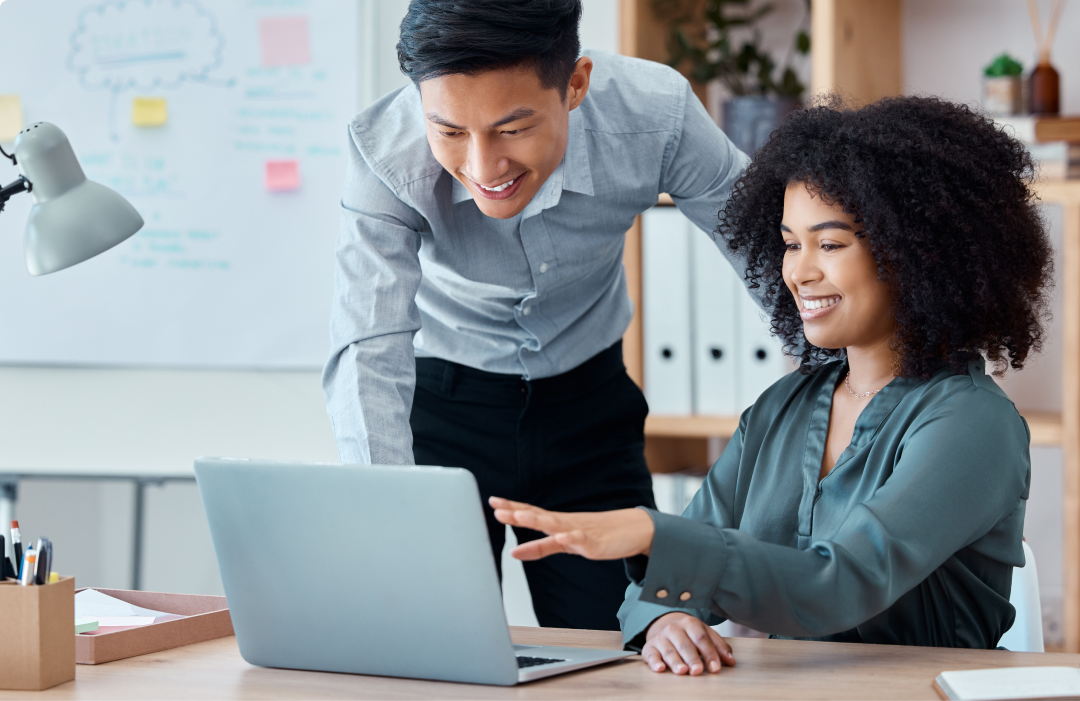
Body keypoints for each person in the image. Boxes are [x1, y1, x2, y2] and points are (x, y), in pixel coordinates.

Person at [490, 95, 1054, 669]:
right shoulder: (784, 407)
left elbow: (841, 584)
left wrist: (654, 537)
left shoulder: (973, 425)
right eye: (790, 243)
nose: (798, 272)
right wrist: (668, 619)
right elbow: (652, 592)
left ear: (918, 254)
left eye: (830, 244)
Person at [321, 0, 750, 630]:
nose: (481, 166)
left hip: (589, 410)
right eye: (449, 132)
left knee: (619, 646)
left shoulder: (656, 114)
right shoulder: (383, 153)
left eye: (512, 128)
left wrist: (848, 387)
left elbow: (768, 247)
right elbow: (368, 343)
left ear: (574, 84)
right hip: (442, 415)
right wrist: (390, 513)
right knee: (432, 644)